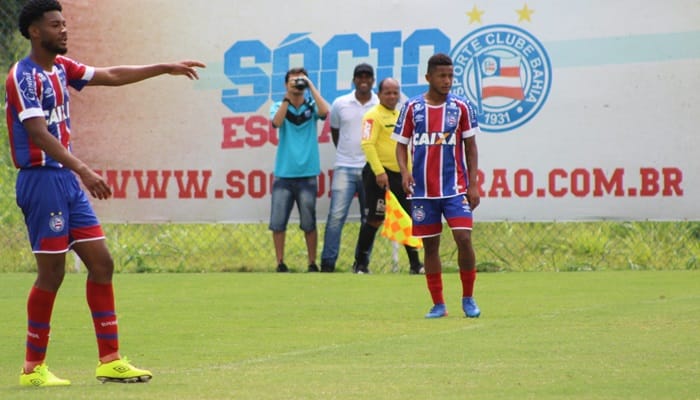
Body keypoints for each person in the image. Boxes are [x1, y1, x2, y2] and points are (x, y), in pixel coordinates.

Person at [4, 0, 205, 387]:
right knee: (52, 273)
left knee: (102, 263)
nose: (64, 30)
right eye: (55, 25)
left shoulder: (61, 68)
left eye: (64, 23)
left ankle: (110, 360)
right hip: (41, 181)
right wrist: (84, 169)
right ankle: (33, 369)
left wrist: (164, 67)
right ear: (34, 31)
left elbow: (111, 74)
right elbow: (38, 134)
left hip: (66, 180)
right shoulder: (23, 76)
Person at [393, 53, 482, 319]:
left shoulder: (462, 107)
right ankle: (438, 304)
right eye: (442, 76)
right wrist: (404, 172)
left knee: (463, 238)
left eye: (450, 76)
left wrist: (473, 184)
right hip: (423, 191)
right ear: (428, 77)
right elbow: (400, 145)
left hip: (455, 188)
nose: (447, 81)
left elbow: (471, 147)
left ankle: (468, 298)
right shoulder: (412, 107)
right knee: (430, 247)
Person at [354, 77, 424, 275]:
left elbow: (405, 146)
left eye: (395, 93)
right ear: (379, 94)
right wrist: (379, 172)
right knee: (374, 219)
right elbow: (367, 144)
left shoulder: (401, 115)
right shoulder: (372, 116)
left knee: (408, 218)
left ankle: (415, 265)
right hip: (378, 176)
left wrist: (408, 172)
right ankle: (360, 264)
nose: (392, 96)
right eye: (388, 93)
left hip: (400, 176)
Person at [320, 63, 379, 273]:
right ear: (354, 80)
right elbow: (336, 132)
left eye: (367, 76)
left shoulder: (379, 103)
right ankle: (327, 264)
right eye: (359, 76)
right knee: (336, 217)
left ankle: (361, 264)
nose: (363, 80)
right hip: (344, 167)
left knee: (368, 219)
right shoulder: (340, 103)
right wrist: (347, 153)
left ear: (372, 80)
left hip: (370, 168)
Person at [269, 67, 329, 273]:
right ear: (286, 84)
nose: (297, 85)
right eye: (293, 81)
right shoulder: (278, 106)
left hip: (307, 173)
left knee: (309, 221)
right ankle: (280, 262)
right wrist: (287, 98)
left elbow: (324, 112)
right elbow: (276, 123)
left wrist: (310, 86)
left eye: (300, 81)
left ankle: (312, 262)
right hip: (284, 173)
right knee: (278, 222)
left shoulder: (311, 105)